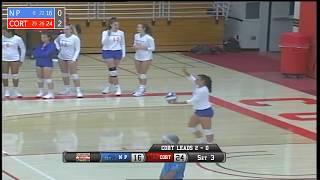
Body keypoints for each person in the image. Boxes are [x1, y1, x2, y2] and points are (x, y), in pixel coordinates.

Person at [168, 68, 214, 144]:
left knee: (207, 130)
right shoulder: (198, 85)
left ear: (203, 81)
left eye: (197, 79)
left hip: (205, 112)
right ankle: (200, 141)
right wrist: (185, 72)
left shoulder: (203, 91)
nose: (195, 79)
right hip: (198, 111)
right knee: (191, 127)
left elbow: (191, 101)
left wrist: (175, 103)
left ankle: (210, 145)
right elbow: (191, 78)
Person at [54, 25, 83, 98]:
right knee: (64, 74)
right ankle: (67, 89)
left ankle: (78, 90)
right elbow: (55, 41)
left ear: (71, 30)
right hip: (61, 57)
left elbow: (77, 49)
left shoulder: (75, 38)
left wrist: (74, 59)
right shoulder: (61, 36)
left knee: (74, 75)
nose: (65, 30)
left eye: (67, 29)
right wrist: (58, 47)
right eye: (64, 29)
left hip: (71, 58)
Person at [101, 17, 126, 96]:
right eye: (115, 25)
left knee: (112, 72)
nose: (117, 26)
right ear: (111, 25)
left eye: (118, 25)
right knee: (113, 71)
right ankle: (117, 87)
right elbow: (103, 43)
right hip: (107, 51)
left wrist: (124, 53)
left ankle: (108, 86)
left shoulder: (121, 32)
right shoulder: (105, 32)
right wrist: (108, 35)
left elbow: (122, 43)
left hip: (118, 52)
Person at [32, 32, 57, 99]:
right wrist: (39, 54)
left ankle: (51, 93)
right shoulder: (40, 45)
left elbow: (47, 53)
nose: (42, 39)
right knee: (39, 79)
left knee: (48, 79)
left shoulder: (52, 45)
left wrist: (39, 54)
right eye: (42, 37)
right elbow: (34, 53)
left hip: (47, 63)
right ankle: (41, 92)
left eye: (44, 37)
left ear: (48, 38)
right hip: (38, 62)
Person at [132, 23, 155, 97]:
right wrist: (135, 46)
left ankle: (141, 90)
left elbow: (153, 48)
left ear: (144, 28)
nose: (137, 28)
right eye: (137, 27)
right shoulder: (136, 36)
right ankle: (142, 87)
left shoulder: (149, 38)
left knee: (142, 74)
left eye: (139, 27)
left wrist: (144, 48)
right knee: (139, 74)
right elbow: (135, 44)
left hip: (146, 57)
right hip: (137, 56)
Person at [2, 28, 26, 98]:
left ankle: (16, 90)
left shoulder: (17, 39)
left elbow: (23, 49)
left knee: (15, 75)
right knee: (4, 75)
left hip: (15, 59)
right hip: (4, 59)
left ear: (10, 32)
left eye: (4, 32)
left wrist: (21, 60)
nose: (3, 33)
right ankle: (6, 90)